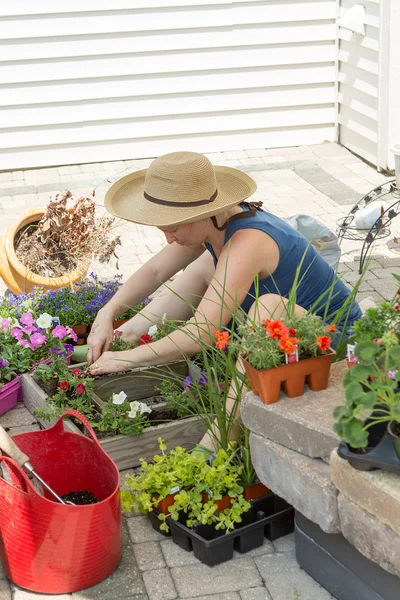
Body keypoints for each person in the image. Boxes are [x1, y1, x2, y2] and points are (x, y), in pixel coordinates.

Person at [87, 151, 361, 448]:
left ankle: (217, 443)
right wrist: (107, 312)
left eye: (173, 228)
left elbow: (202, 333)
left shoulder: (248, 241)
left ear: (201, 214)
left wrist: (126, 362)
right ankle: (122, 337)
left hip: (332, 343)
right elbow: (155, 271)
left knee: (266, 307)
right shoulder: (218, 223)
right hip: (288, 339)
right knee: (204, 265)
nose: (168, 238)